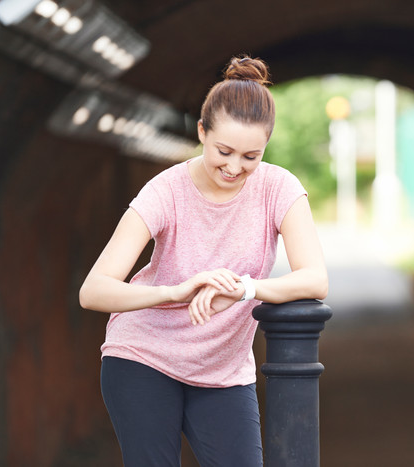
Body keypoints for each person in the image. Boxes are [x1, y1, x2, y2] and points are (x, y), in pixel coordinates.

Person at [79, 55, 328, 467]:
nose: (234, 167)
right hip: (144, 358)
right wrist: (174, 291)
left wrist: (244, 289)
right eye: (223, 151)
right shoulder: (165, 190)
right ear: (201, 132)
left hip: (224, 371)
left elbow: (315, 279)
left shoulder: (279, 188)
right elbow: (94, 290)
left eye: (251, 156)